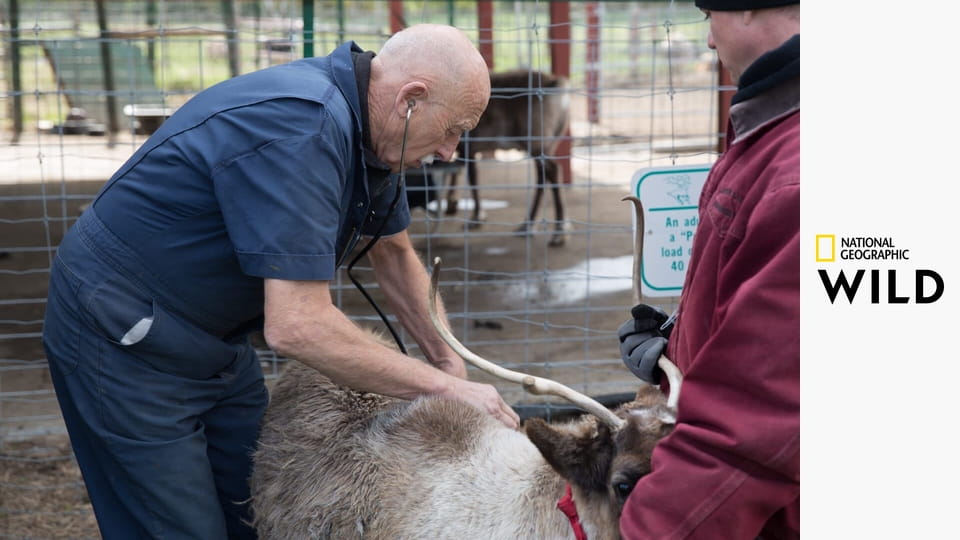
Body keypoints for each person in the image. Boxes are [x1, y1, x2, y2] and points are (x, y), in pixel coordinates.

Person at [42, 23, 520, 539]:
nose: (451, 151)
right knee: (178, 527)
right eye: (454, 129)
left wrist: (450, 365)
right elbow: (297, 326)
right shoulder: (304, 127)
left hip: (216, 340)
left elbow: (395, 254)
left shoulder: (374, 132)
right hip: (122, 330)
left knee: (261, 507)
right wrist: (440, 387)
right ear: (411, 99)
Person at [617, 1, 799, 538]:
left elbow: (758, 420)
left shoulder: (801, 173)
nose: (710, 43)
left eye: (707, 18)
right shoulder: (773, 127)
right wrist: (677, 350)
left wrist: (648, 530)